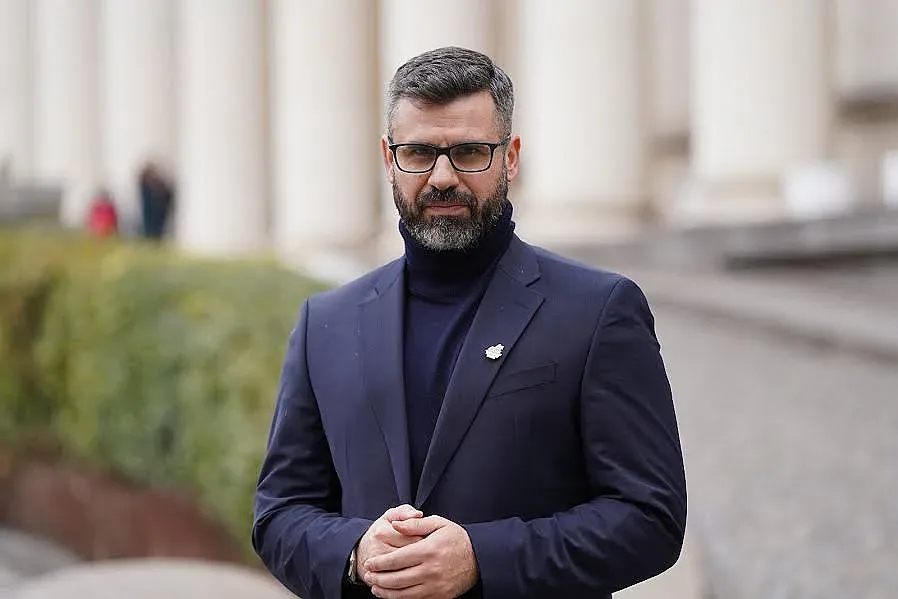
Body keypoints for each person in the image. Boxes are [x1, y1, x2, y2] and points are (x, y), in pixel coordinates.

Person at [253, 46, 687, 599]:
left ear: (511, 158)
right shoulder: (326, 323)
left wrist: (482, 558)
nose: (442, 177)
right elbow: (279, 513)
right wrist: (356, 552)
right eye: (418, 153)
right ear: (388, 159)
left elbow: (651, 516)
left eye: (469, 152)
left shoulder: (599, 310)